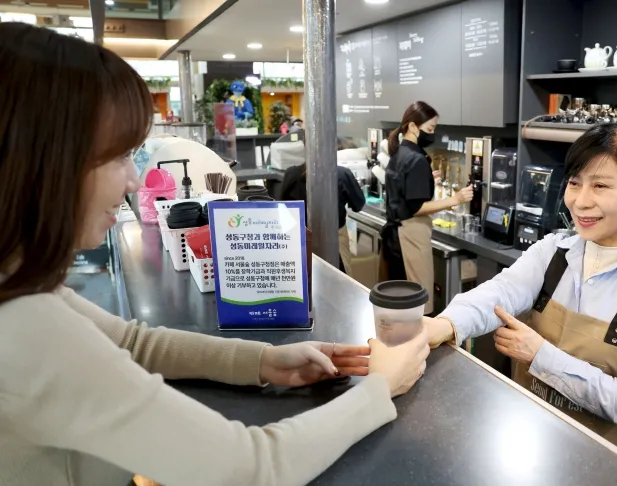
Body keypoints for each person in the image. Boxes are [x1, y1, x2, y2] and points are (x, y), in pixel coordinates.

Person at [0, 22, 430, 486]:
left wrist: (263, 361)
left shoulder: (21, 287)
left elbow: (131, 344)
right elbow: (249, 467)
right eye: (118, 158)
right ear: (48, 164)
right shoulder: (26, 329)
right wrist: (380, 389)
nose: (133, 182)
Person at [426, 123, 617, 465]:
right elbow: (501, 291)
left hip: (605, 470)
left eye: (600, 185)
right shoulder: (554, 251)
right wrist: (443, 325)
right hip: (532, 451)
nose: (580, 201)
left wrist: (540, 354)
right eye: (574, 183)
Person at [380, 101, 473, 315]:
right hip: (410, 233)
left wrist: (425, 179)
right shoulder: (417, 159)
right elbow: (416, 207)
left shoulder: (400, 153)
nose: (432, 134)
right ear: (413, 127)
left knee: (400, 296)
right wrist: (455, 199)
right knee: (417, 302)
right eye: (430, 129)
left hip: (396, 233)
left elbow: (403, 188)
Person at [279, 141, 366, 275]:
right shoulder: (342, 174)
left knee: (305, 281)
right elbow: (358, 205)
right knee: (339, 281)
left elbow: (282, 209)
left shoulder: (292, 173)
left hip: (299, 241)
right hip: (335, 240)